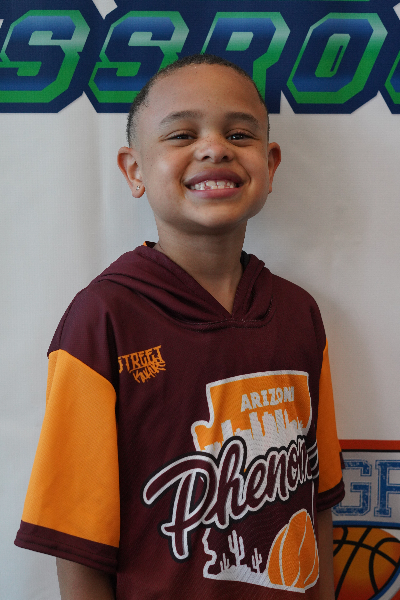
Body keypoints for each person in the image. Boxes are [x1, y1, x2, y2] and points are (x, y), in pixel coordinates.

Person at [15, 54, 344, 600]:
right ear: (135, 171)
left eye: (239, 134)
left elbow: (319, 504)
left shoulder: (299, 313)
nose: (215, 148)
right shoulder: (102, 318)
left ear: (270, 165)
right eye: (182, 135)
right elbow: (78, 545)